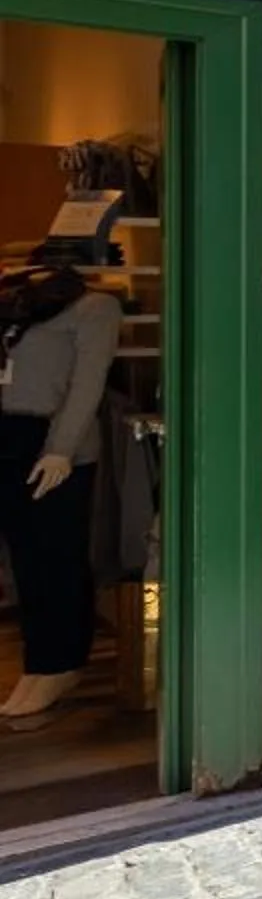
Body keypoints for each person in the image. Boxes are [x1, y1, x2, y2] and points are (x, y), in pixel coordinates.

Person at [0, 265, 121, 725]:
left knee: (57, 555)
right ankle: (39, 661)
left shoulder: (96, 308)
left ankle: (61, 662)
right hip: (9, 436)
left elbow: (87, 384)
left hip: (51, 441)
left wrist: (61, 449)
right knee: (25, 559)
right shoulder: (16, 309)